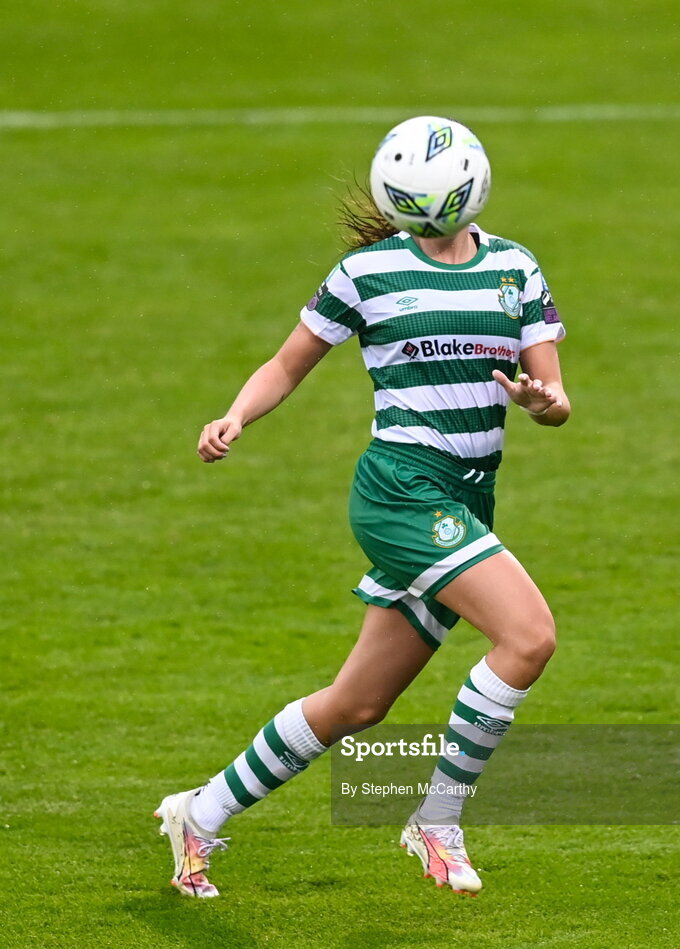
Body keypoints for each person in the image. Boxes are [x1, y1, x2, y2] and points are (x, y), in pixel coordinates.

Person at [155, 115, 570, 898]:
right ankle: (438, 819)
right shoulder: (365, 274)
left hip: (465, 499)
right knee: (528, 637)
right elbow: (288, 362)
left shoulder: (515, 269)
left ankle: (198, 813)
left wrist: (540, 401)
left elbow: (556, 403)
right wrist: (236, 415)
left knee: (358, 703)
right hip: (400, 492)